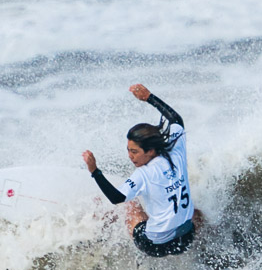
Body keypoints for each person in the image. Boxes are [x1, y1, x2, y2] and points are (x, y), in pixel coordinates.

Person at [82, 84, 199, 258]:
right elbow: (176, 120)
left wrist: (95, 171)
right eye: (128, 150)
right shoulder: (177, 151)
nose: (130, 156)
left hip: (155, 246)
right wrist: (149, 97)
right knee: (196, 212)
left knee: (131, 205)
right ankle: (204, 247)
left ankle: (104, 236)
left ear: (150, 151)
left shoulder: (143, 174)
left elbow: (116, 198)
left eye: (134, 152)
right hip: (186, 239)